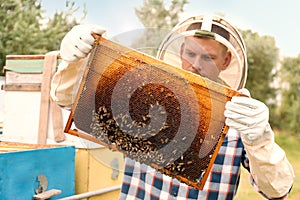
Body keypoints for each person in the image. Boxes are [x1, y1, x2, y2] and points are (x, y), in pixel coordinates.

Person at [50, 15, 294, 199]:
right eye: (191, 53)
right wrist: (73, 63)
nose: (196, 65)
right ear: (180, 50)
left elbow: (278, 191)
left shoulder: (240, 116)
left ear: (226, 60)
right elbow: (67, 100)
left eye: (208, 57)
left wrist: (260, 140)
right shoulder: (146, 92)